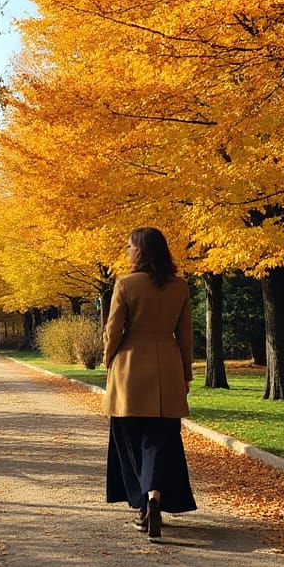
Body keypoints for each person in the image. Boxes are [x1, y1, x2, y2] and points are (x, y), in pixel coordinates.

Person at [104, 226, 197, 540]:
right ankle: (155, 496)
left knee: (129, 439)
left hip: (130, 367)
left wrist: (108, 361)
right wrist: (185, 373)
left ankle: (142, 504)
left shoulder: (126, 284)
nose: (128, 251)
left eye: (130, 246)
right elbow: (185, 336)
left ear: (140, 251)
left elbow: (114, 331)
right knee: (160, 441)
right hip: (167, 368)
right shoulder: (180, 287)